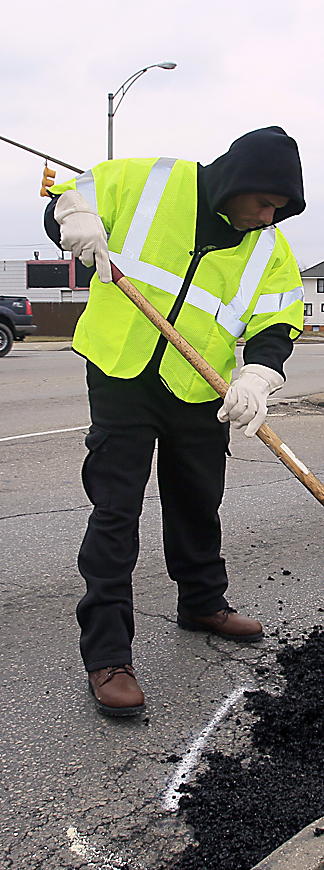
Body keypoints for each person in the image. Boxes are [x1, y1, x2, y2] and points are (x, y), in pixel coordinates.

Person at [44, 127, 306, 716]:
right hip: (121, 372)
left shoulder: (267, 246)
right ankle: (108, 655)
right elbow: (69, 198)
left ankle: (202, 602)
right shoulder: (148, 181)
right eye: (265, 203)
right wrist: (72, 221)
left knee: (197, 498)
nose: (269, 218)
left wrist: (258, 376)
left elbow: (277, 320)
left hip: (197, 384)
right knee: (116, 511)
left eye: (281, 210)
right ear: (239, 182)